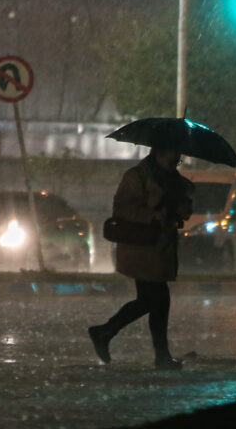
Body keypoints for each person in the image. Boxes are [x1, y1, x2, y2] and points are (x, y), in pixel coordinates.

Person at [88, 147, 194, 370]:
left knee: (155, 300)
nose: (176, 160)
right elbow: (122, 210)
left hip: (161, 247)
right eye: (172, 155)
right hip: (141, 246)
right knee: (156, 300)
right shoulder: (136, 176)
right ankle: (107, 333)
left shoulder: (175, 180)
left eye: (178, 158)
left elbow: (182, 209)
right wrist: (153, 215)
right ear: (159, 153)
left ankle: (108, 333)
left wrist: (183, 204)